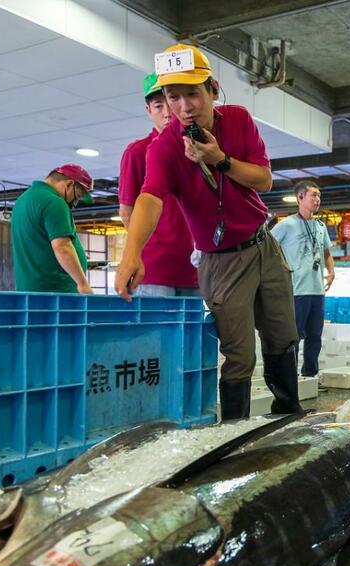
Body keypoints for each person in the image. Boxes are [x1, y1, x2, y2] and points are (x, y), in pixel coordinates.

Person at [114, 44, 303, 421]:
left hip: (263, 244)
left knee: (282, 337)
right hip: (220, 260)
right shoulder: (163, 148)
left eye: (192, 94)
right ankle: (233, 434)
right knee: (238, 353)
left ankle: (288, 414)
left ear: (213, 89)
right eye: (173, 96)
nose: (184, 106)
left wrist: (220, 160)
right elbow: (150, 198)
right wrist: (131, 253)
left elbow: (264, 179)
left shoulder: (238, 120)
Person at [118, 73, 199, 297]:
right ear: (149, 110)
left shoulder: (199, 149)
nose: (167, 112)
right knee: (158, 332)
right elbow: (127, 212)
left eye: (170, 102)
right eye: (158, 105)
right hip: (155, 271)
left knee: (194, 332)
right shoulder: (137, 152)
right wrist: (138, 252)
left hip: (195, 267)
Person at [272, 180, 335, 377]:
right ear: (300, 197)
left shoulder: (320, 226)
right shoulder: (287, 224)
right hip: (296, 290)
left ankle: (310, 375)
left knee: (315, 337)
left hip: (317, 290)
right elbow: (268, 248)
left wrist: (331, 271)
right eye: (313, 195)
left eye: (319, 195)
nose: (317, 199)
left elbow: (326, 252)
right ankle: (289, 377)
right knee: (294, 337)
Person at [11, 163, 94, 294]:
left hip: (30, 289)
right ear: (69, 185)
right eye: (76, 197)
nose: (74, 202)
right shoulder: (54, 202)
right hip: (56, 291)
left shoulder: (22, 200)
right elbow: (62, 247)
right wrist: (82, 284)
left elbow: (38, 243)